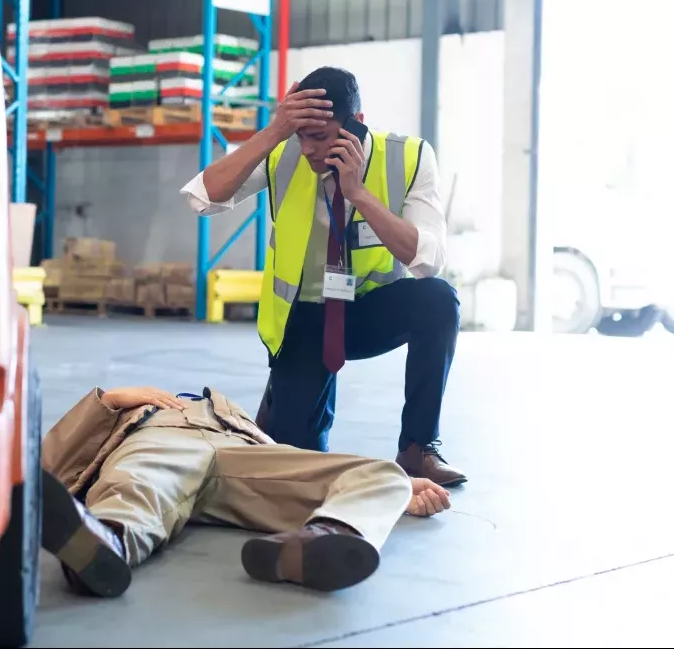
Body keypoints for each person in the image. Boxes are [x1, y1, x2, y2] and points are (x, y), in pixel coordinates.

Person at [178, 66, 466, 487]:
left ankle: (418, 449)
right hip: (304, 323)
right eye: (303, 136)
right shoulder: (282, 153)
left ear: (357, 126)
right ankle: (283, 397)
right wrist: (275, 131)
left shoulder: (410, 158)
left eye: (322, 137)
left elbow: (427, 261)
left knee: (440, 301)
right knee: (296, 469)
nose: (309, 149)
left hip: (369, 313)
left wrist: (359, 195)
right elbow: (202, 198)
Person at [40, 385, 451, 598]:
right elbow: (49, 464)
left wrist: (394, 492)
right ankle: (103, 546)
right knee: (137, 484)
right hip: (160, 442)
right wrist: (110, 399)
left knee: (381, 471)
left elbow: (296, 467)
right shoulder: (138, 414)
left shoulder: (231, 414)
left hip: (242, 453)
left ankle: (327, 535)